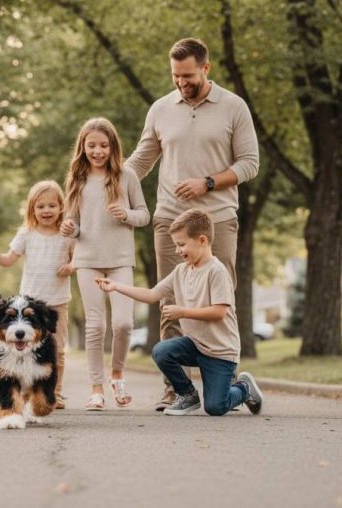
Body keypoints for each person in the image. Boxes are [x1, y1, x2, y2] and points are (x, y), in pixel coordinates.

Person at [125, 37, 259, 410]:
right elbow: (141, 161)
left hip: (217, 217)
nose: (182, 83)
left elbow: (250, 163)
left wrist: (208, 182)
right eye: (175, 77)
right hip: (169, 216)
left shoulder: (234, 107)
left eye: (188, 76)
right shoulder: (161, 109)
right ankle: (176, 387)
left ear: (206, 68)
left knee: (221, 295)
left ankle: (226, 377)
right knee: (170, 296)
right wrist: (107, 182)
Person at [95, 208, 263, 416]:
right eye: (176, 245)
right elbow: (151, 294)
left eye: (181, 244)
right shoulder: (181, 270)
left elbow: (219, 312)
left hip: (220, 352)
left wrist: (182, 312)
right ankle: (187, 394)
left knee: (215, 407)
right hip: (195, 345)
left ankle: (243, 388)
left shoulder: (217, 272)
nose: (177, 250)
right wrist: (116, 286)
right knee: (161, 350)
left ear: (202, 240)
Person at [59, 117, 149, 410]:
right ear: (82, 147)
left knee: (123, 324)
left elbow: (144, 215)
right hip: (88, 260)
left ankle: (117, 374)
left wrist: (126, 214)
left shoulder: (127, 176)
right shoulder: (77, 180)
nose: (97, 151)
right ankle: (96, 388)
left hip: (121, 259)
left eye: (103, 145)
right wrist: (70, 229)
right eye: (91, 145)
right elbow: (73, 222)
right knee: (96, 326)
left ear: (113, 147)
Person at [0, 180, 75, 409]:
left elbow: (80, 258)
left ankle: (54, 392)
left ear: (61, 207)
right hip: (30, 305)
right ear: (32, 209)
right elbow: (10, 259)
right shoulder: (26, 234)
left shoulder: (67, 234)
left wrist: (72, 266)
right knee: (25, 349)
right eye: (41, 206)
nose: (46, 211)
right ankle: (25, 390)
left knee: (57, 350)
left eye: (52, 206)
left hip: (58, 302)